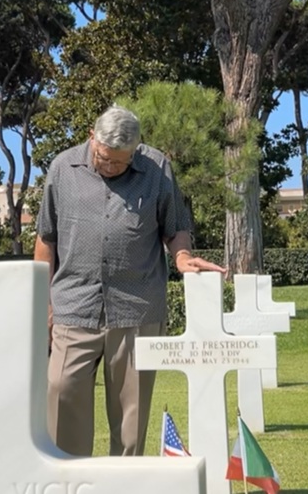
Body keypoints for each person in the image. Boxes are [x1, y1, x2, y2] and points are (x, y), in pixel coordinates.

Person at [34, 104, 226, 457]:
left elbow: (175, 227)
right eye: (105, 158)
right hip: (73, 306)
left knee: (130, 418)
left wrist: (182, 257)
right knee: (61, 391)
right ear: (92, 137)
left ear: (136, 149)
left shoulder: (156, 169)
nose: (111, 167)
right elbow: (46, 239)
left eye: (120, 162)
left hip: (136, 309)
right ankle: (72, 483)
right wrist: (42, 305)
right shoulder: (63, 168)